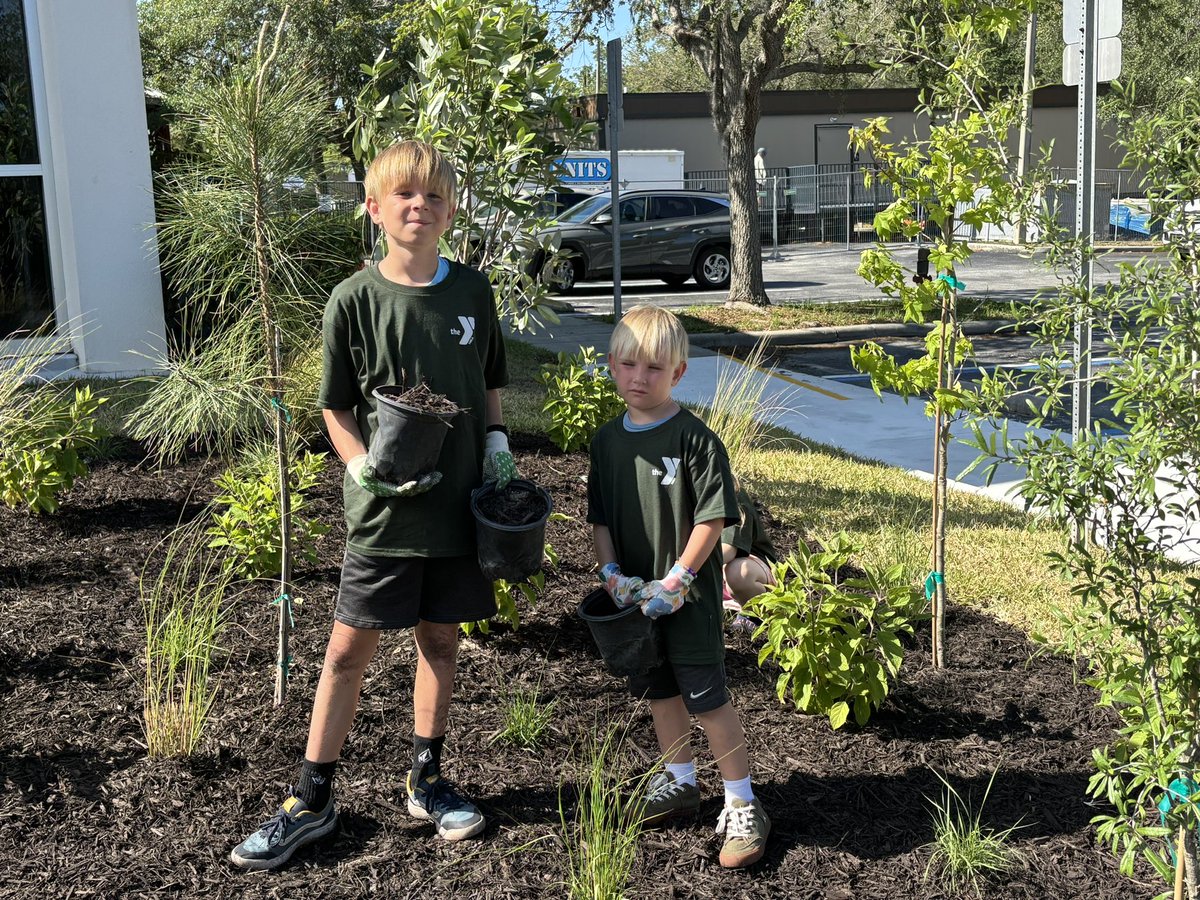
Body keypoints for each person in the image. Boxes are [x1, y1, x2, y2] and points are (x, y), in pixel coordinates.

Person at [231, 140, 516, 871]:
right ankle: (313, 797)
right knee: (346, 651)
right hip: (387, 513)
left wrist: (495, 441)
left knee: (442, 640)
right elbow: (334, 406)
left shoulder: (473, 294)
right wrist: (359, 467)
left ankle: (427, 778)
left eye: (435, 197)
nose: (420, 207)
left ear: (452, 210)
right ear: (375, 209)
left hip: (459, 505)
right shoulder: (355, 300)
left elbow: (487, 381)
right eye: (405, 197)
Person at [588, 305, 771, 869]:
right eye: (627, 364)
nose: (639, 377)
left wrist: (681, 577)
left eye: (653, 367)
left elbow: (712, 518)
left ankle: (743, 802)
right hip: (637, 600)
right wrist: (612, 574)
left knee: (707, 698)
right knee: (660, 692)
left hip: (684, 599)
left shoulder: (696, 440)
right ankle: (680, 781)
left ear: (679, 373)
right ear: (612, 367)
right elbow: (600, 520)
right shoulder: (606, 442)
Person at [721, 483, 778, 633]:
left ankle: (753, 615)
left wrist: (686, 567)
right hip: (713, 583)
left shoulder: (732, 492)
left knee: (739, 572)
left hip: (752, 571)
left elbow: (728, 550)